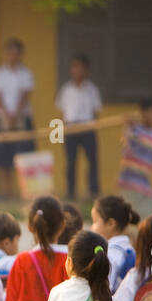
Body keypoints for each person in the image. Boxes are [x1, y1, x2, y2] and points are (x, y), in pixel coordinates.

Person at [0, 38, 35, 198]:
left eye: (16, 53)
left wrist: (15, 115)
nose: (13, 56)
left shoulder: (26, 73)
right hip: (3, 119)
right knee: (3, 157)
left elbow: (25, 95)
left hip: (21, 119)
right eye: (10, 53)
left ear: (21, 55)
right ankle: (6, 191)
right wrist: (7, 114)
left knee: (24, 155)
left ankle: (23, 192)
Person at [56, 53, 102, 200]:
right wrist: (61, 132)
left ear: (87, 70)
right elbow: (62, 112)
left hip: (88, 127)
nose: (77, 71)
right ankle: (71, 192)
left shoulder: (92, 90)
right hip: (70, 127)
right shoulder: (66, 89)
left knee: (92, 160)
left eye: (81, 67)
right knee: (70, 161)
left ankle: (93, 191)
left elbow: (96, 112)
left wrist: (92, 126)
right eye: (75, 67)